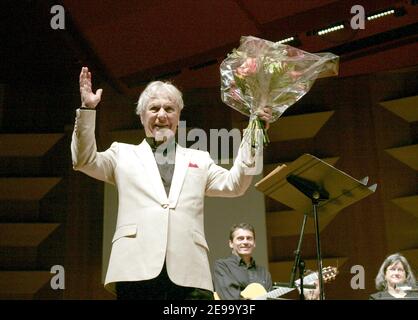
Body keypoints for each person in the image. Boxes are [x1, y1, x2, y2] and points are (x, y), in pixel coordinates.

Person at [71, 67, 272, 299]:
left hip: (190, 272)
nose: (162, 115)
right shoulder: (121, 154)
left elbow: (235, 184)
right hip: (135, 269)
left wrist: (254, 135)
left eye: (169, 109)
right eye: (154, 109)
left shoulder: (199, 159)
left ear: (178, 116)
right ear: (142, 115)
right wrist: (87, 110)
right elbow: (84, 160)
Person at [213, 223, 321, 300]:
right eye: (240, 238)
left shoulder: (263, 272)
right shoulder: (222, 266)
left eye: (249, 238)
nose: (245, 242)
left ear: (254, 243)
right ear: (231, 243)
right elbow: (230, 298)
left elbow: (269, 298)